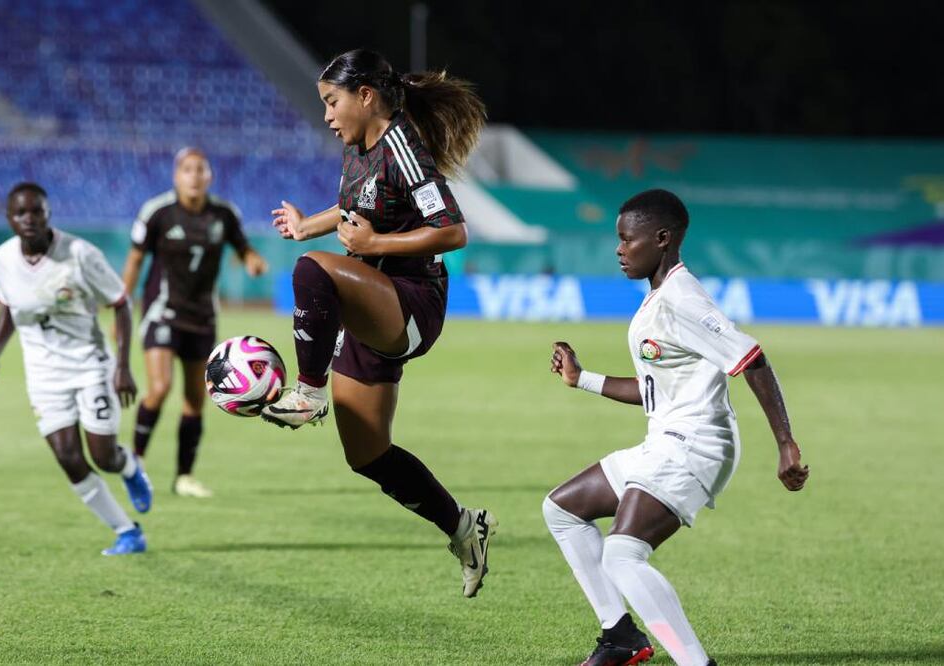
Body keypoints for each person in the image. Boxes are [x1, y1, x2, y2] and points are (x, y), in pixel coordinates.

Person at [260, 49, 497, 598]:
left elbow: (453, 230)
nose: (327, 114)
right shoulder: (359, 149)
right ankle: (464, 527)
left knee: (313, 272)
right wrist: (306, 224)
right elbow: (352, 208)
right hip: (374, 304)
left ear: (366, 96)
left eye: (332, 101)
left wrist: (374, 244)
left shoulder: (402, 147)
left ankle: (307, 391)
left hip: (413, 300)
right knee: (367, 454)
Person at [543, 189, 810, 665]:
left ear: (662, 239)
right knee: (562, 509)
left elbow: (752, 358)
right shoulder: (658, 298)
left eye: (628, 239)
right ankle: (620, 638)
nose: (619, 249)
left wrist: (786, 444)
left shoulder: (683, 298)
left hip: (695, 447)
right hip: (663, 440)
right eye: (618, 240)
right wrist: (581, 378)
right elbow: (654, 390)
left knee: (622, 557)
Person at [0, 182, 153, 556]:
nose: (28, 219)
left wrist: (122, 365)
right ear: (9, 218)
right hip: (44, 375)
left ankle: (129, 468)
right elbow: (9, 306)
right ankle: (127, 531)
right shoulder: (2, 259)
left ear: (48, 214)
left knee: (103, 457)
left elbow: (121, 303)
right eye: (20, 213)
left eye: (36, 211)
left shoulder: (79, 254)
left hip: (90, 364)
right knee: (68, 459)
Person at [120, 148, 268, 498]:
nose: (194, 175)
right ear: (176, 175)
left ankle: (184, 477)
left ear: (210, 176)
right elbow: (134, 261)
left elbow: (243, 247)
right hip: (162, 311)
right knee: (159, 388)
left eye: (201, 169)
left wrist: (252, 260)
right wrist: (122, 308)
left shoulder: (224, 215)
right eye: (187, 169)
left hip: (202, 317)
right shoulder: (158, 213)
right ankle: (135, 464)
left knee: (195, 400)